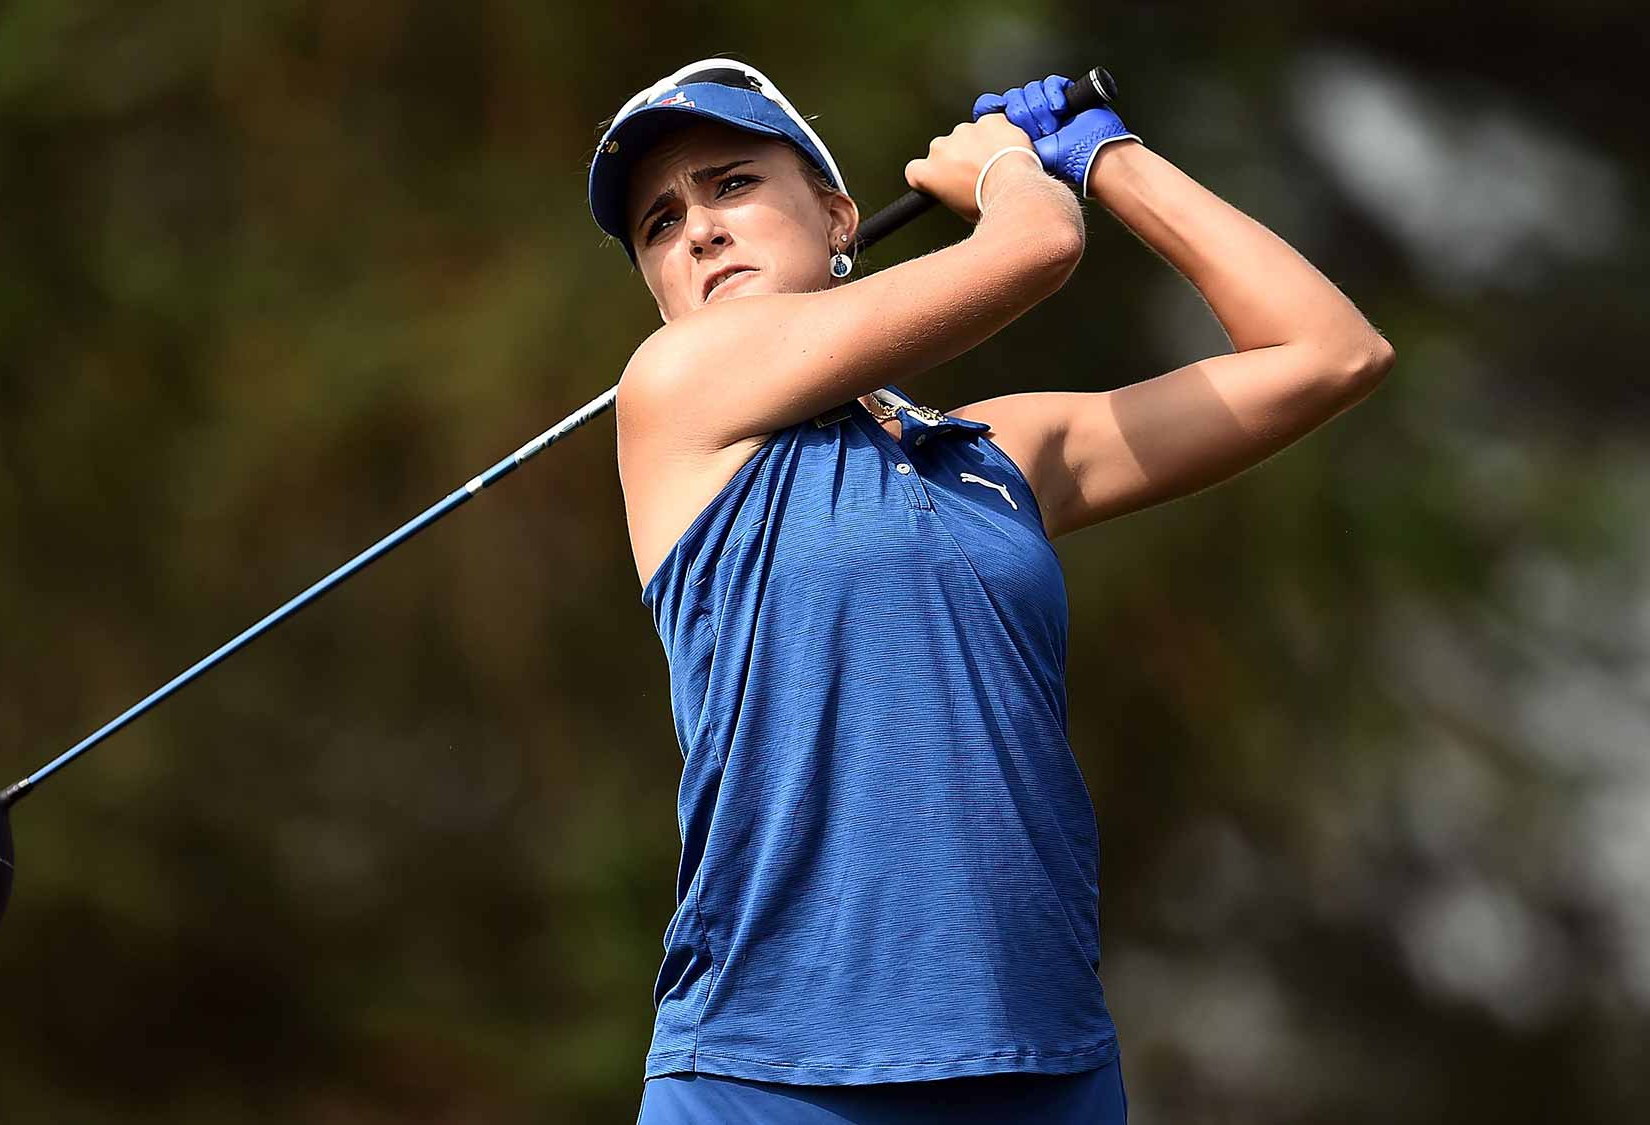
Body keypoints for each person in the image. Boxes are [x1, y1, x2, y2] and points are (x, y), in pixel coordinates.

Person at [587, 59, 1393, 1124]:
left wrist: (1110, 159)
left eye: (730, 183)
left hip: (1041, 1060)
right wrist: (1012, 172)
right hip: (768, 1071)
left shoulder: (993, 454)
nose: (694, 229)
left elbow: (1328, 353)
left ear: (839, 218)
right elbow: (1036, 247)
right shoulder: (674, 387)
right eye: (657, 221)